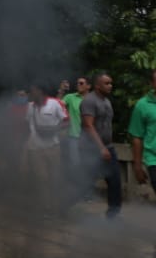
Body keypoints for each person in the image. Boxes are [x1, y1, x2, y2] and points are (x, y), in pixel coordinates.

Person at [80, 71, 122, 218]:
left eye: (111, 83)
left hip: (108, 147)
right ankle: (63, 203)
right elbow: (88, 126)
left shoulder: (106, 101)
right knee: (83, 183)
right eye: (107, 83)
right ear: (97, 85)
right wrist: (101, 147)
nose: (110, 85)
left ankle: (113, 215)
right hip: (92, 149)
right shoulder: (89, 101)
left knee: (115, 180)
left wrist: (107, 146)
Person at [23, 80, 68, 215]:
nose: (30, 94)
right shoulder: (30, 106)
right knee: (41, 179)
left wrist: (53, 129)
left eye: (32, 91)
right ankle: (46, 208)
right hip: (35, 148)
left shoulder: (55, 103)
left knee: (55, 178)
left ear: (40, 92)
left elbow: (67, 122)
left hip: (53, 147)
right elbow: (28, 125)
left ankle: (57, 206)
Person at [128, 69, 156, 197]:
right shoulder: (142, 105)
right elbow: (136, 137)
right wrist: (137, 166)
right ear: (152, 83)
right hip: (153, 160)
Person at [60, 76, 89, 200]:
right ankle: (77, 192)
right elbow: (54, 106)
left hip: (90, 139)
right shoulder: (71, 97)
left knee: (88, 165)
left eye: (81, 83)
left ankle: (86, 193)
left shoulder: (93, 99)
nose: (78, 85)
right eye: (77, 83)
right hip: (74, 137)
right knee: (75, 165)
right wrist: (61, 91)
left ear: (89, 86)